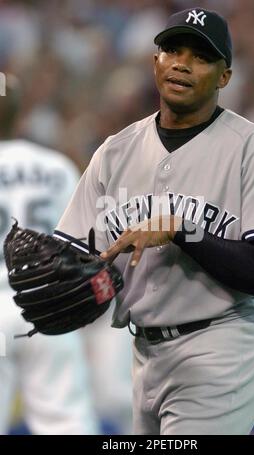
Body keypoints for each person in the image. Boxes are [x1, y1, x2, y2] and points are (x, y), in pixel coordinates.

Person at [54, 7, 254, 435]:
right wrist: (55, 279)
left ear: (224, 76)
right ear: (155, 62)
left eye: (201, 56)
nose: (182, 62)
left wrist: (184, 230)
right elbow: (73, 254)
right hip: (143, 352)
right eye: (172, 49)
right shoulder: (114, 152)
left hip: (221, 348)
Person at [0, 75, 99, 435]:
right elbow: (81, 245)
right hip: (49, 309)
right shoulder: (55, 166)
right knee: (66, 423)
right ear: (19, 114)